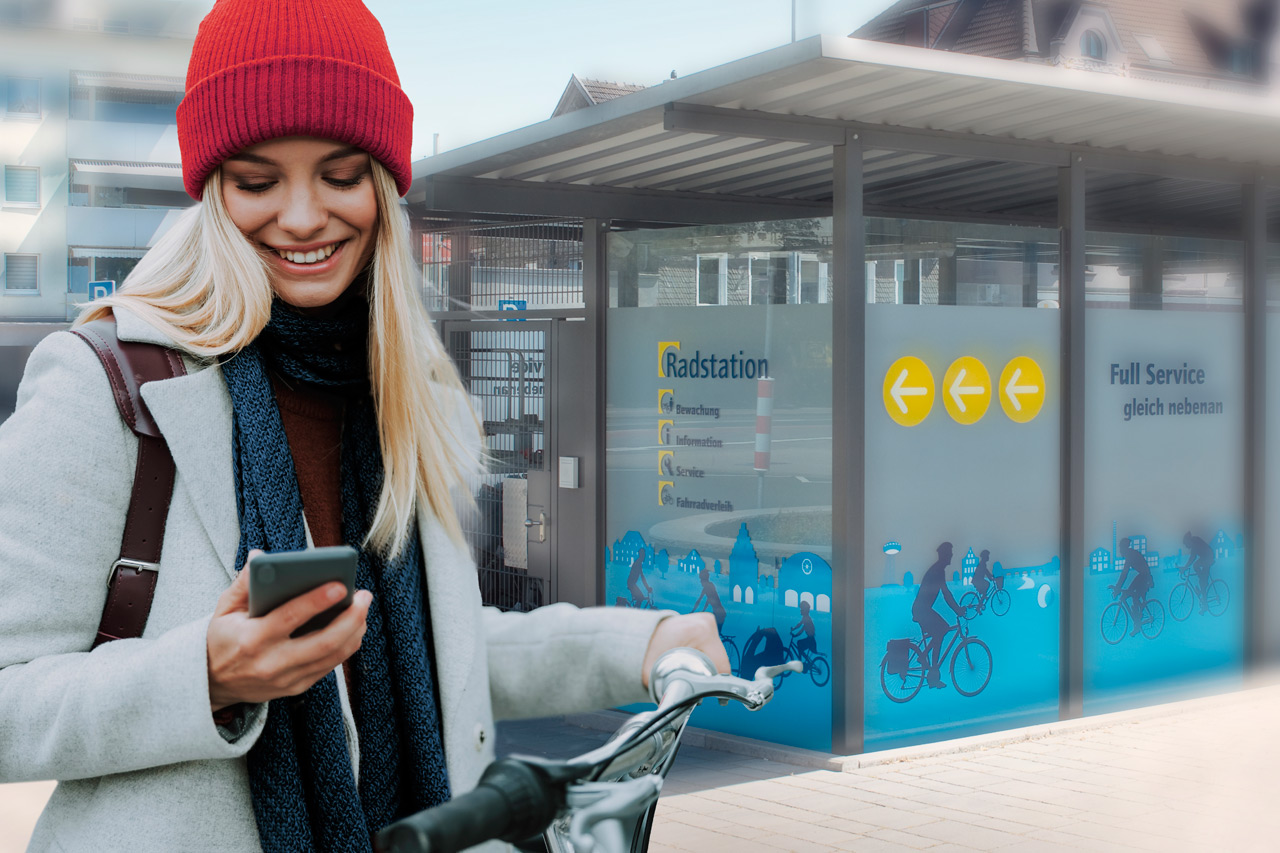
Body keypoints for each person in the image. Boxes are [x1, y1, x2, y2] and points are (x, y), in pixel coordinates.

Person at [0, 2, 726, 850]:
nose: (303, 218)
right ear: (211, 191)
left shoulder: (412, 398)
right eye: (258, 181)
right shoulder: (108, 381)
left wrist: (637, 642)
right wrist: (207, 675)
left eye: (341, 175)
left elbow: (431, 649)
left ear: (383, 188)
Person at [912, 542, 964, 689]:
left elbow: (945, 593)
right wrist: (958, 610)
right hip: (922, 610)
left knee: (942, 630)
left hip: (922, 609)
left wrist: (957, 609)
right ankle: (933, 675)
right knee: (941, 631)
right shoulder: (938, 571)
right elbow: (946, 594)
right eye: (950, 553)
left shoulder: (938, 569)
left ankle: (924, 657)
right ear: (945, 555)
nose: (952, 555)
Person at [1112, 536, 1154, 635]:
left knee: (1135, 598)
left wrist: (1118, 587)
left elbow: (1124, 573)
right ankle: (1138, 614)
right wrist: (1118, 588)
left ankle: (1138, 625)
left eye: (1121, 549)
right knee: (1125, 595)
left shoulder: (1131, 555)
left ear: (1124, 548)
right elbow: (1124, 574)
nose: (1120, 551)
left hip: (1145, 578)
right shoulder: (1130, 554)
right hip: (1142, 576)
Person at [1180, 531, 1215, 614]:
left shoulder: (1194, 544)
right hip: (1205, 557)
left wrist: (1184, 568)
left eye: (1186, 544)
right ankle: (1202, 580)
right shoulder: (1194, 541)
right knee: (1196, 567)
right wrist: (1185, 567)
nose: (1186, 546)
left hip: (1208, 557)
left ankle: (1205, 606)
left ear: (1188, 541)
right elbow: (1192, 557)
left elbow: (1192, 558)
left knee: (1202, 584)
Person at [692, 567, 727, 634]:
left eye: (701, 580)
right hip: (716, 613)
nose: (700, 581)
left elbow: (707, 600)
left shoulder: (710, 586)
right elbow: (700, 600)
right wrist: (695, 611)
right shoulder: (706, 588)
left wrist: (699, 611)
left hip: (720, 614)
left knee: (714, 634)